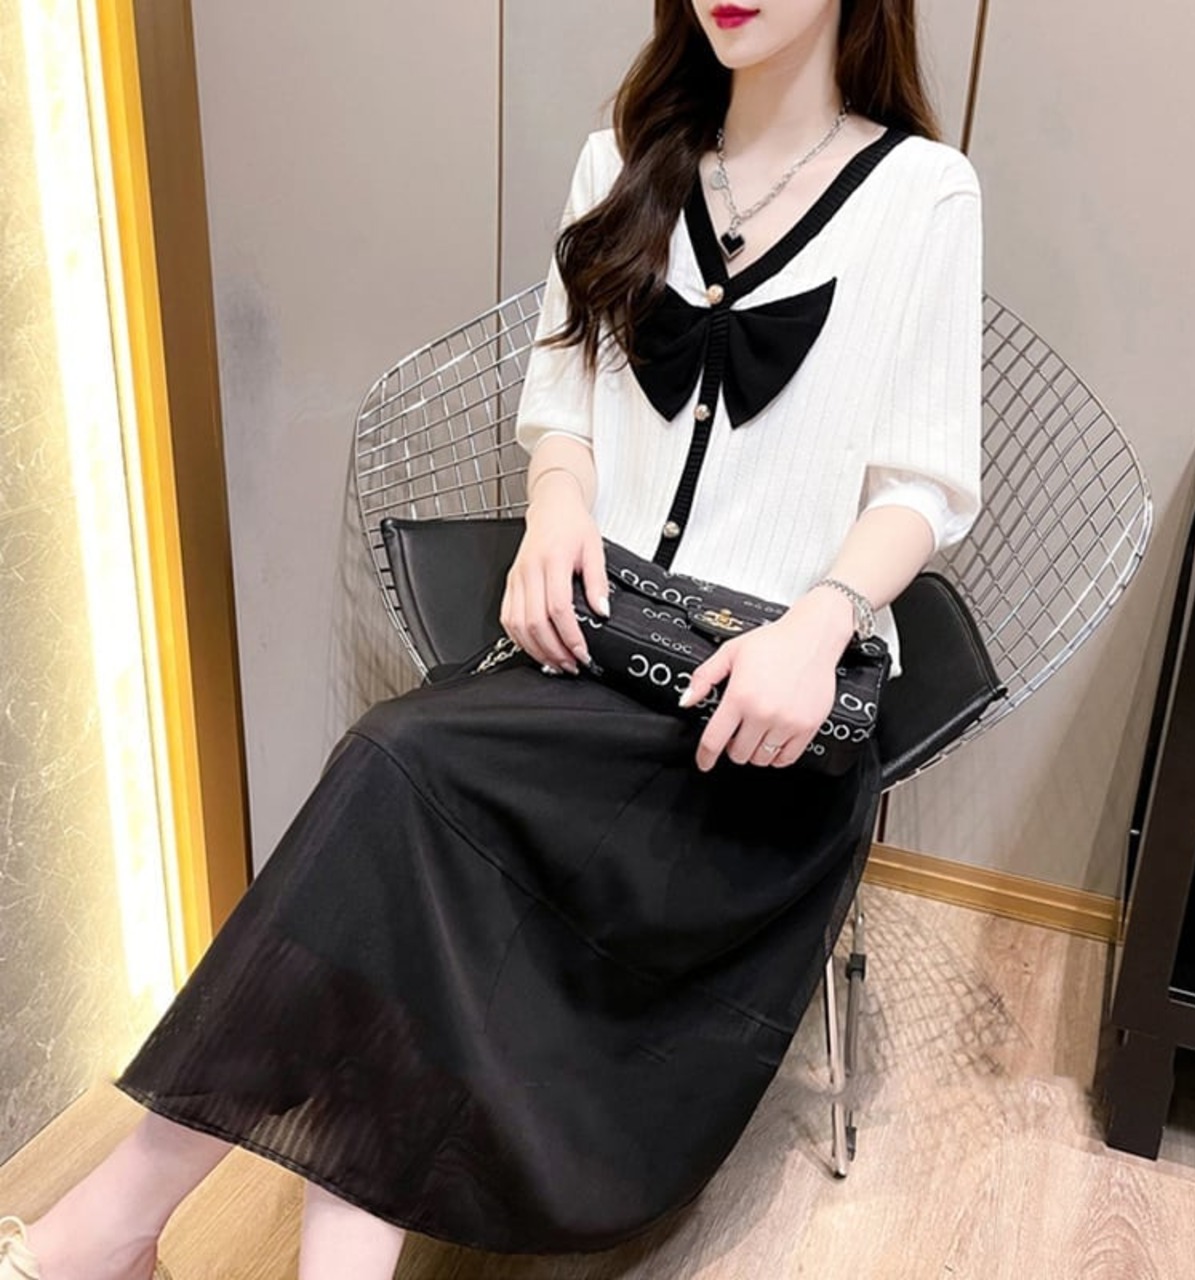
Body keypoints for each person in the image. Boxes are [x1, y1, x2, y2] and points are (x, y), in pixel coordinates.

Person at [0, 1, 981, 1276]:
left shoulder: (922, 193)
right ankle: (136, 1236)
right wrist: (558, 503)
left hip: (757, 729)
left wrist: (824, 616)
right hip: (595, 667)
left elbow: (920, 485)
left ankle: (104, 1231)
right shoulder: (620, 160)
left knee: (400, 779)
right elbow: (560, 401)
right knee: (404, 809)